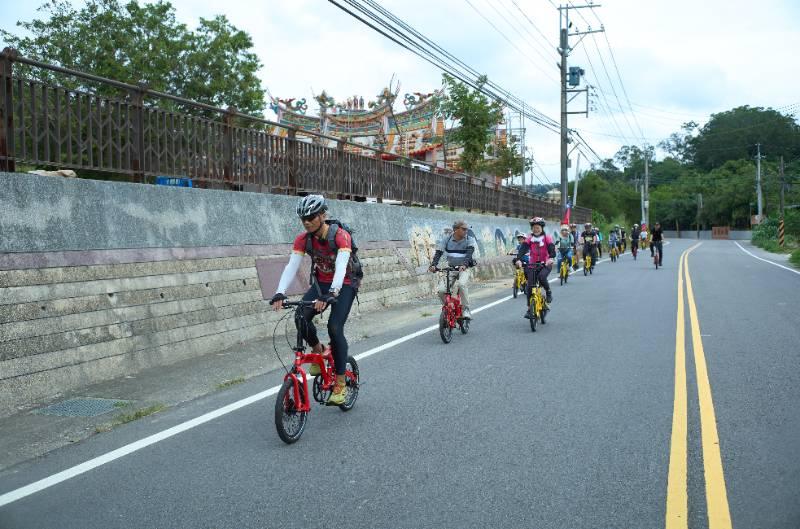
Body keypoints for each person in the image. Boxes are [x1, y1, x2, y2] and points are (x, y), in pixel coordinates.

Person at [270, 194, 358, 406]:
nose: (307, 222)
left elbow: (341, 266)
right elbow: (292, 266)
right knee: (300, 317)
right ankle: (318, 351)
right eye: (303, 219)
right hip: (321, 283)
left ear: (322, 215)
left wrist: (332, 293)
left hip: (345, 283)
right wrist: (280, 292)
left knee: (334, 327)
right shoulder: (303, 239)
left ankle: (340, 384)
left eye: (311, 217)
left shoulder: (340, 236)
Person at [429, 220, 477, 319]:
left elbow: (469, 254)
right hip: (451, 269)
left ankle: (466, 309)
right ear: (455, 229)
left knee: (462, 284)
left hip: (464, 269)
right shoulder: (447, 239)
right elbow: (438, 252)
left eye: (467, 229)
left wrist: (464, 264)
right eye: (463, 229)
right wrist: (433, 265)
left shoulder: (469, 239)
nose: (466, 231)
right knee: (441, 291)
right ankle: (449, 307)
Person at [514, 217, 555, 317]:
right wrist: (518, 259)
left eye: (538, 227)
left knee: (541, 277)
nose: (536, 229)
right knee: (530, 287)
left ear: (542, 228)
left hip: (545, 263)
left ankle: (548, 292)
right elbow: (523, 249)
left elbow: (551, 249)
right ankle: (529, 309)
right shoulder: (529, 238)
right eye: (534, 228)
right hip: (532, 264)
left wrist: (551, 258)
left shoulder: (547, 237)